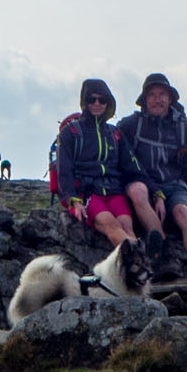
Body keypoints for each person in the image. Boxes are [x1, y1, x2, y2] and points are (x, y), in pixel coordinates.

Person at [116, 73, 187, 283]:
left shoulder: (184, 129)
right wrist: (156, 193)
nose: (158, 99)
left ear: (171, 98)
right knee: (137, 192)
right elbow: (122, 159)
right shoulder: (131, 125)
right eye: (152, 95)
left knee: (183, 211)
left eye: (162, 94)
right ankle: (165, 253)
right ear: (145, 100)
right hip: (144, 184)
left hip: (175, 186)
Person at [53, 79, 138, 250]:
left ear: (109, 102)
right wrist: (72, 199)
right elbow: (65, 170)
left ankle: (138, 268)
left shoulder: (114, 133)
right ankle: (142, 265)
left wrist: (154, 192)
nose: (97, 104)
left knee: (127, 227)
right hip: (86, 193)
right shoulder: (70, 132)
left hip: (114, 191)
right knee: (111, 225)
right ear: (84, 102)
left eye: (102, 100)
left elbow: (131, 167)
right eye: (92, 100)